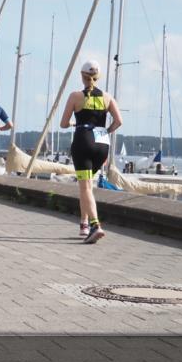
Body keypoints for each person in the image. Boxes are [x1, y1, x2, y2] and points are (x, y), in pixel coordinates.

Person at [60, 60, 123, 244]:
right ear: (98, 77)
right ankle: (84, 224)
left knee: (85, 187)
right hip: (102, 144)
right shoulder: (108, 97)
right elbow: (119, 121)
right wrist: (106, 131)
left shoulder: (75, 96)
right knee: (86, 186)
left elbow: (63, 124)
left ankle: (95, 225)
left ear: (82, 76)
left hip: (83, 141)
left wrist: (73, 123)